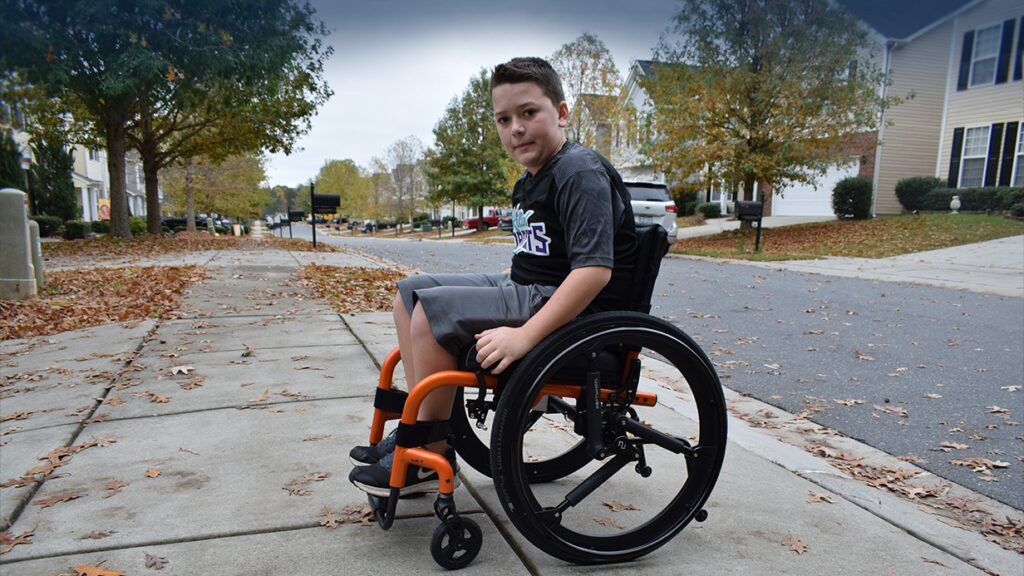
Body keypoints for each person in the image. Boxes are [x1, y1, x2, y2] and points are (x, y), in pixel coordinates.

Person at [349, 56, 637, 496]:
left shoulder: (579, 172)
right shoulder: (531, 180)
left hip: (576, 312)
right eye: (504, 119)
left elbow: (593, 272)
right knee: (409, 293)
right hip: (530, 288)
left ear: (561, 113)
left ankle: (428, 449)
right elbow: (538, 255)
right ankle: (419, 422)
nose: (516, 128)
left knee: (432, 313)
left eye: (528, 112)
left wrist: (524, 337)